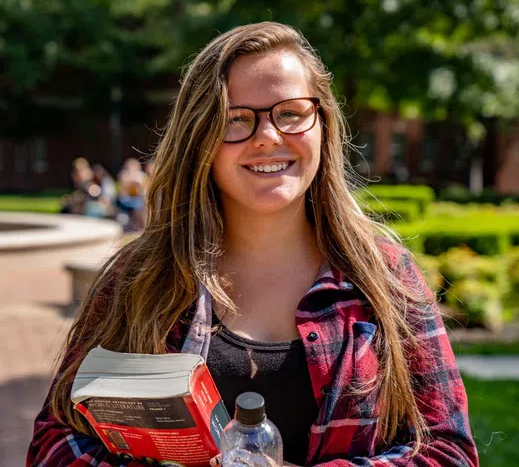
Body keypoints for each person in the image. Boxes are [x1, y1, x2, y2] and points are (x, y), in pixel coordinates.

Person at [26, 23, 478, 466]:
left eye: (291, 113)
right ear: (199, 139)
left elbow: (448, 450)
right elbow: (55, 442)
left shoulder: (386, 276)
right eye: (235, 119)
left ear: (322, 123)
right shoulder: (138, 279)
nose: (268, 136)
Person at [116, 158, 148, 230]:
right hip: (125, 200)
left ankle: (141, 226)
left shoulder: (141, 175)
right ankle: (140, 226)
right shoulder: (123, 174)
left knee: (141, 204)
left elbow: (144, 190)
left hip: (138, 199)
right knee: (138, 206)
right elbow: (122, 191)